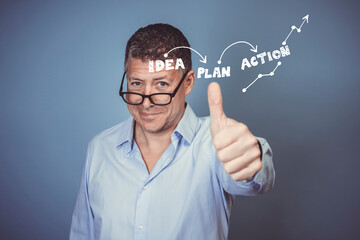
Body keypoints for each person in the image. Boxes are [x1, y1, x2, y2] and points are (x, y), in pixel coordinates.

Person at [69, 23, 275, 240]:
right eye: (137, 83)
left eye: (161, 84)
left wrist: (251, 162)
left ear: (188, 83)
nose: (146, 102)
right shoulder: (100, 148)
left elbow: (254, 177)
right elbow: (82, 233)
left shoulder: (216, 144)